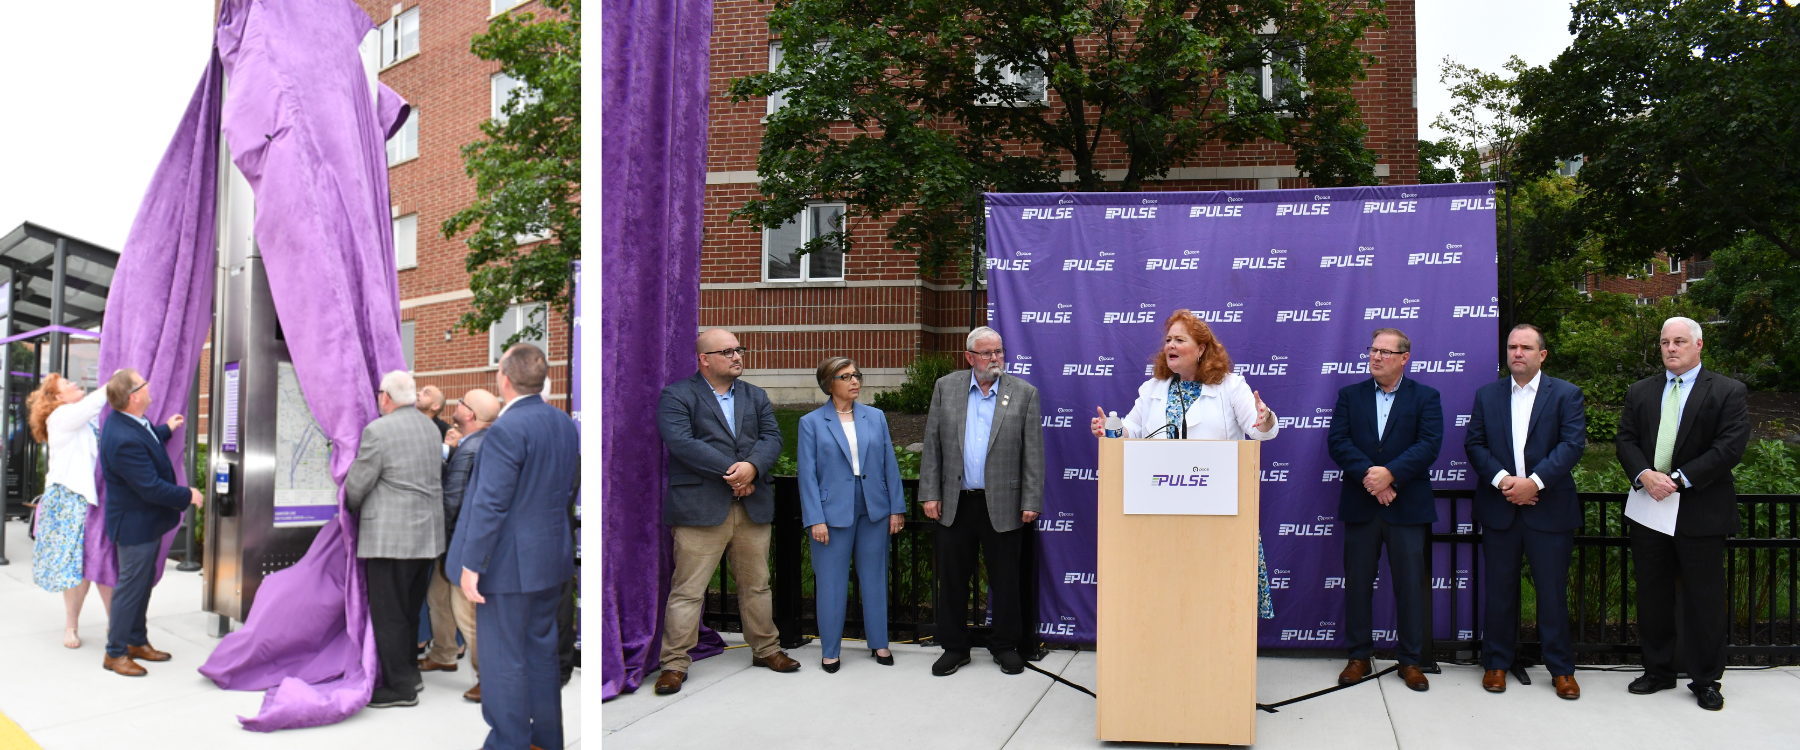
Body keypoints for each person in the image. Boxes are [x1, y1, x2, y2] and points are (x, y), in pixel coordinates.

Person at [1088, 310, 1279, 618]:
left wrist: (1265, 417)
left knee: (1214, 597)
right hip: (1161, 507)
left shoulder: (1231, 386)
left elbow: (1260, 431)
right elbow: (1131, 431)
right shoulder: (1154, 388)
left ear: (1202, 348)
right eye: (1167, 340)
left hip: (1219, 507)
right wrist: (1110, 428)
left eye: (1179, 340)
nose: (1170, 346)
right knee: (1168, 593)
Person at [448, 343, 580, 750]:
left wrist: (472, 564)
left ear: (504, 379)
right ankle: (545, 740)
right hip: (551, 561)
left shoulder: (505, 429)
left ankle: (508, 742)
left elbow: (491, 502)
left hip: (507, 568)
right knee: (541, 657)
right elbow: (568, 489)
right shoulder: (562, 423)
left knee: (503, 661)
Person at [1615, 316, 1748, 711]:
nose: (1670, 348)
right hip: (1649, 508)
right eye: (1664, 342)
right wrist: (1644, 475)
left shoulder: (1727, 391)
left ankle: (1706, 679)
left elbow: (1729, 448)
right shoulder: (1640, 391)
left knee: (1703, 599)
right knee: (1653, 594)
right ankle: (1657, 671)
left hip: (1700, 509)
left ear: (1699, 345)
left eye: (1679, 342)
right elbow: (1625, 439)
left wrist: (1677, 479)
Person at [652, 329, 794, 694]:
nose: (737, 356)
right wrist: (736, 472)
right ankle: (674, 664)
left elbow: (772, 439)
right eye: (727, 351)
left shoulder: (756, 395)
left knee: (756, 585)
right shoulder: (677, 395)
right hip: (700, 508)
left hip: (752, 505)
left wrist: (753, 468)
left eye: (739, 350)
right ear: (704, 359)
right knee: (688, 591)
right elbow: (682, 443)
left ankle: (766, 649)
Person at [1464, 324, 1586, 699]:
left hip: (1549, 510)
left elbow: (1572, 445)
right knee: (1499, 592)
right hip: (1500, 509)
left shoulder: (1566, 394)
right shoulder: (1488, 395)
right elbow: (1475, 443)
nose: (1517, 353)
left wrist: (1533, 482)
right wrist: (1504, 481)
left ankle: (1561, 669)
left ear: (1542, 354)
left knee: (1551, 594)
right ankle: (1496, 664)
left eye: (1526, 347)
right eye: (1512, 347)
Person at [920, 326, 1044, 677]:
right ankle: (955, 648)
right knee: (954, 578)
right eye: (987, 353)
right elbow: (933, 445)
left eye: (999, 352)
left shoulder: (1024, 393)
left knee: (1005, 580)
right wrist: (929, 493)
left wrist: (1031, 499)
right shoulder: (947, 388)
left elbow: (1033, 453)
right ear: (969, 357)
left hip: (1003, 503)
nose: (995, 359)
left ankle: (1004, 646)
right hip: (955, 502)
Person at [1326, 328, 1443, 692]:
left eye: (1385, 352)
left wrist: (1391, 475)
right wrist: (1371, 477)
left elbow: (1429, 444)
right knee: (1358, 584)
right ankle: (1359, 656)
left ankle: (1410, 661)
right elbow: (1338, 441)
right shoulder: (1350, 395)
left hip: (1407, 507)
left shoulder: (1426, 396)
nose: (1376, 357)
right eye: (1373, 350)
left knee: (1409, 586)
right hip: (1363, 505)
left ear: (1404, 358)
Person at [797, 357, 906, 673]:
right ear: (829, 384)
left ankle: (879, 643)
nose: (855, 381)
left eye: (857, 375)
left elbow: (889, 465)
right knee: (831, 583)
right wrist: (815, 518)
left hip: (874, 509)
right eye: (846, 377)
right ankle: (830, 650)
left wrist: (896, 508)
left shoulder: (876, 417)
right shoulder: (811, 422)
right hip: (831, 514)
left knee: (874, 578)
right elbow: (807, 476)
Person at [346, 370, 446, 708]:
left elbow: (358, 484)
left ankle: (399, 687)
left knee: (389, 614)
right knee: (409, 610)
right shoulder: (430, 427)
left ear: (385, 397)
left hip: (390, 537)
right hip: (426, 537)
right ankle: (410, 675)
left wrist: (348, 506)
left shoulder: (378, 430)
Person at [97, 369, 202, 677]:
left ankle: (136, 641)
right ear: (134, 396)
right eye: (144, 383)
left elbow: (147, 438)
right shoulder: (122, 438)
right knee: (130, 588)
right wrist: (188, 495)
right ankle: (115, 654)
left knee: (141, 586)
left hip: (144, 522)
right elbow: (150, 487)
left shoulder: (129, 423)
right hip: (135, 525)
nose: (149, 385)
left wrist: (166, 429)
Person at [422, 387, 500, 703]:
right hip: (464, 542)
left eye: (462, 402)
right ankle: (444, 652)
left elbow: (452, 502)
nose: (457, 405)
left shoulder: (470, 450)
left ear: (469, 415)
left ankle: (489, 679)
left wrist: (444, 546)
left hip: (459, 545)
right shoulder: (482, 443)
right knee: (436, 596)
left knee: (466, 614)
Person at [27, 373, 115, 649]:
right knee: (73, 567)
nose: (74, 384)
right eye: (67, 384)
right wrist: (116, 380)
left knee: (101, 561)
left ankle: (115, 625)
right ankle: (71, 626)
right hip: (68, 499)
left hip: (90, 499)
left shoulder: (82, 421)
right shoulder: (62, 416)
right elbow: (92, 404)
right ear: (58, 398)